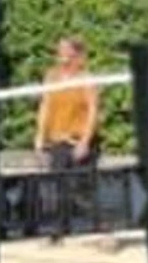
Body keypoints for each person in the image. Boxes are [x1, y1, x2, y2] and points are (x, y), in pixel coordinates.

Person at [33, 35, 100, 173]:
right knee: (57, 181)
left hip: (78, 142)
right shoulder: (51, 77)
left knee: (80, 183)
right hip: (57, 143)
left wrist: (84, 142)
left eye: (65, 49)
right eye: (59, 50)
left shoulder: (86, 79)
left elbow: (93, 112)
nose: (61, 53)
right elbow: (45, 107)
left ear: (75, 54)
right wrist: (39, 139)